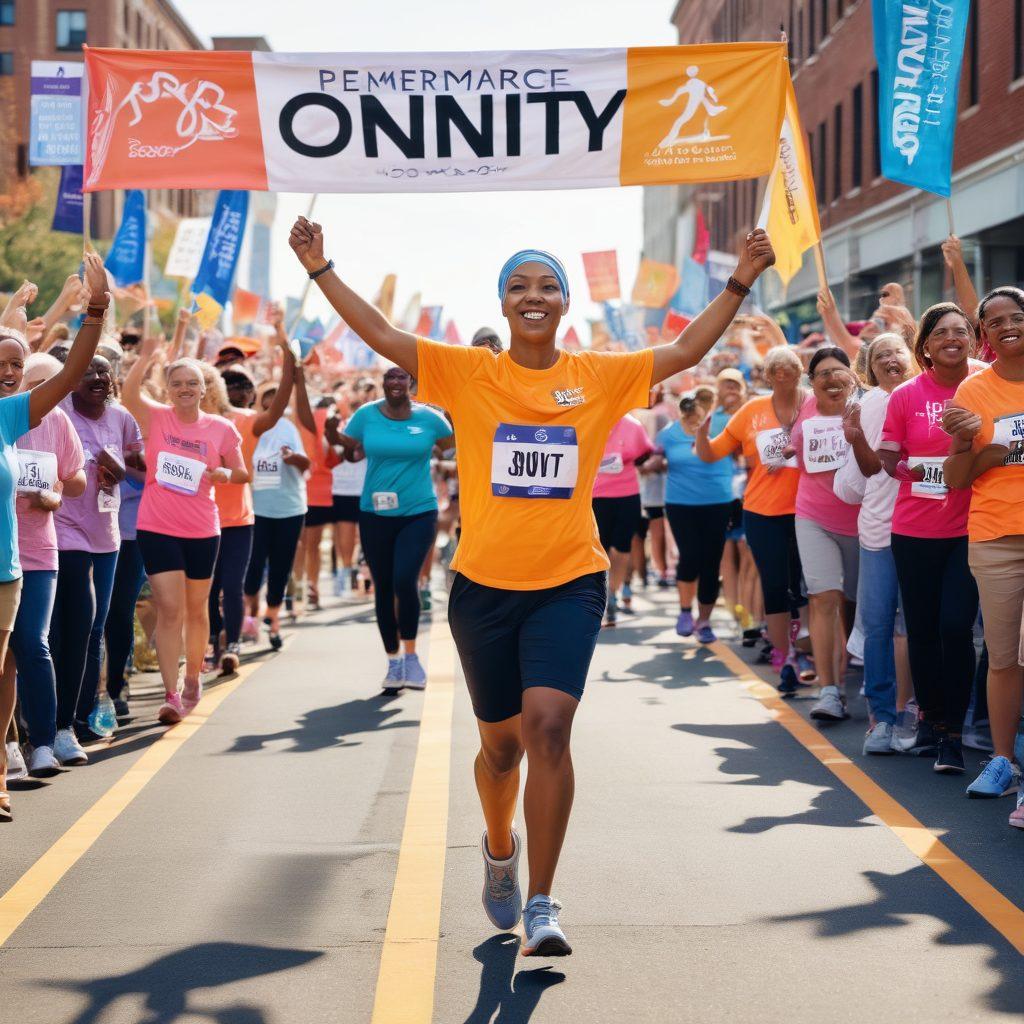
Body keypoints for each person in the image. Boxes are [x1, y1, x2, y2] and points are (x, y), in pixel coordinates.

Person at [288, 211, 777, 955]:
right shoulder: (468, 371)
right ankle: (498, 846)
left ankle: (544, 901)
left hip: (568, 581)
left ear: (564, 302)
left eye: (547, 284)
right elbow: (385, 334)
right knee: (502, 752)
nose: (533, 295)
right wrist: (322, 270)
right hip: (483, 586)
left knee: (549, 727)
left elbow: (682, 350)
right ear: (503, 303)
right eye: (518, 285)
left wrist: (740, 278)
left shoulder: (599, 376)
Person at [0, 251, 108, 820]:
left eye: (14, 365)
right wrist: (19, 308)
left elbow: (67, 376)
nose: (7, 373)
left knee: (19, 655)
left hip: (13, 563)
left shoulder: (13, 417)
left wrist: (96, 308)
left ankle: (22, 752)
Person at [121, 337, 248, 726]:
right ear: (169, 388)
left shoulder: (221, 428)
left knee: (197, 610)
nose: (184, 389)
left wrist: (226, 473)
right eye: (177, 383)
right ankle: (172, 693)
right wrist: (144, 358)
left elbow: (243, 473)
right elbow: (128, 393)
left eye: (192, 383)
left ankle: (193, 677)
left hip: (202, 529)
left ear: (203, 388)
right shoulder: (158, 418)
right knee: (170, 610)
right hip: (157, 525)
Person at [943, 287, 1024, 809]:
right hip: (995, 539)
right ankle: (1002, 762)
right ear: (983, 337)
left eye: (1016, 317)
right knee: (1001, 658)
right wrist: (977, 450)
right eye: (994, 321)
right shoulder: (973, 391)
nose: (1006, 325)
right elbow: (955, 479)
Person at [327, 366, 452, 692]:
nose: (396, 382)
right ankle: (394, 660)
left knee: (403, 579)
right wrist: (333, 436)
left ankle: (411, 656)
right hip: (375, 512)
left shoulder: (430, 418)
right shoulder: (366, 416)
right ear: (384, 384)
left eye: (402, 378)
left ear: (411, 383)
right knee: (383, 586)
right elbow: (352, 455)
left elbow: (452, 446)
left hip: (418, 510)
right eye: (390, 378)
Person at [696, 345, 806, 691]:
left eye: (789, 369)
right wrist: (700, 433)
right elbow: (713, 452)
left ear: (799, 373)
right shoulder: (752, 410)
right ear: (767, 376)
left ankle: (807, 652)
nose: (783, 375)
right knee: (775, 585)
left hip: (809, 510)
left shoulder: (813, 405)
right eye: (776, 370)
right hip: (763, 512)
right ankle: (784, 657)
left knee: (806, 588)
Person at [49, 354, 143, 746]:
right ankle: (57, 718)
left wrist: (122, 470)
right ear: (71, 379)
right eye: (88, 371)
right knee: (69, 627)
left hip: (107, 535)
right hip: (64, 530)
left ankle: (83, 713)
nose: (99, 377)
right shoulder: (58, 414)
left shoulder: (121, 417)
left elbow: (141, 467)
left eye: (104, 371)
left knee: (94, 628)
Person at [832, 334, 916, 756]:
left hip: (928, 532)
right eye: (879, 356)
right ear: (871, 368)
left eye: (895, 351)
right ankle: (886, 719)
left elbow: (847, 487)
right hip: (881, 535)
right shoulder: (864, 408)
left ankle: (917, 717)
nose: (889, 360)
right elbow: (851, 481)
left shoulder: (932, 397)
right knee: (885, 627)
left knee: (918, 627)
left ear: (913, 357)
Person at [7, 354, 85, 773]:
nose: (44, 392)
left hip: (39, 551)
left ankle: (44, 742)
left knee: (34, 644)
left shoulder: (58, 422)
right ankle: (10, 745)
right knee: (4, 655)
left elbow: (76, 479)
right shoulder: (6, 417)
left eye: (52, 385)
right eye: (37, 383)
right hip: (4, 550)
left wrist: (52, 495)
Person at [207, 324, 296, 672]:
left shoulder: (247, 421)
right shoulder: (196, 420)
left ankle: (232, 646)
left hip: (239, 519)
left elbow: (277, 409)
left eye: (245, 383)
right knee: (208, 590)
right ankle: (214, 640)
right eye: (230, 382)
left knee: (233, 584)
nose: (238, 388)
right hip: (201, 519)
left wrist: (290, 360)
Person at [788, 347, 860, 723]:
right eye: (823, 374)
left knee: (852, 603)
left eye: (839, 371)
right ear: (811, 382)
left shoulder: (868, 406)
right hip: (814, 516)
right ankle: (830, 690)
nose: (832, 379)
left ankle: (853, 675)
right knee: (823, 599)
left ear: (852, 376)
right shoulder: (803, 408)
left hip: (865, 523)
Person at [654, 392, 734, 644]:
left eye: (700, 413)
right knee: (690, 556)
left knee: (711, 562)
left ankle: (705, 621)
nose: (696, 418)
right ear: (684, 413)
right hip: (681, 504)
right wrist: (650, 462)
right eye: (691, 414)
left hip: (718, 502)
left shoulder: (721, 428)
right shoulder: (668, 434)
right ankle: (685, 612)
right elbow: (657, 455)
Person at [244, 375, 310, 650]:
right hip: (256, 509)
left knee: (281, 567)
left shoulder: (289, 428)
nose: (273, 403)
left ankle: (273, 619)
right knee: (253, 566)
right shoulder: (250, 426)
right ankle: (250, 615)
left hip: (290, 508)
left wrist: (290, 457)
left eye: (278, 398)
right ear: (259, 402)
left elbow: (305, 463)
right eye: (267, 398)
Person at [591, 413, 652, 627]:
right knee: (601, 549)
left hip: (627, 494)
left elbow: (646, 452)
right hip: (596, 495)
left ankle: (613, 595)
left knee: (622, 548)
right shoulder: (591, 418)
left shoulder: (632, 424)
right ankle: (602, 596)